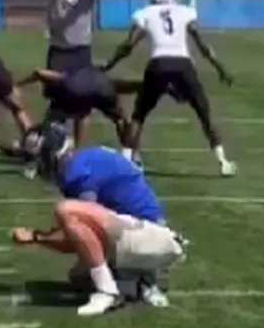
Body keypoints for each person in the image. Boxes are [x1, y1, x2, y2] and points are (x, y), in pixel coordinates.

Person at [10, 123, 187, 316]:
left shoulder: (77, 174)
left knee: (67, 213)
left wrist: (37, 237)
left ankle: (117, 288)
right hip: (147, 233)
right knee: (79, 278)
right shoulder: (84, 161)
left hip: (148, 239)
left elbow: (77, 237)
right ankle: (135, 277)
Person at [100, 0, 238, 176]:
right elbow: (202, 44)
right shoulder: (185, 12)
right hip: (183, 64)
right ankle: (223, 161)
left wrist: (110, 64)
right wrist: (220, 68)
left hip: (158, 63)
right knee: (204, 113)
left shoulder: (145, 13)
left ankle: (126, 159)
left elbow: (129, 44)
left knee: (139, 115)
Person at [11, 66, 137, 152]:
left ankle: (38, 145)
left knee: (76, 115)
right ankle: (128, 152)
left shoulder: (67, 79)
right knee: (121, 119)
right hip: (103, 92)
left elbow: (38, 73)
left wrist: (17, 84)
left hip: (76, 89)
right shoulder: (105, 84)